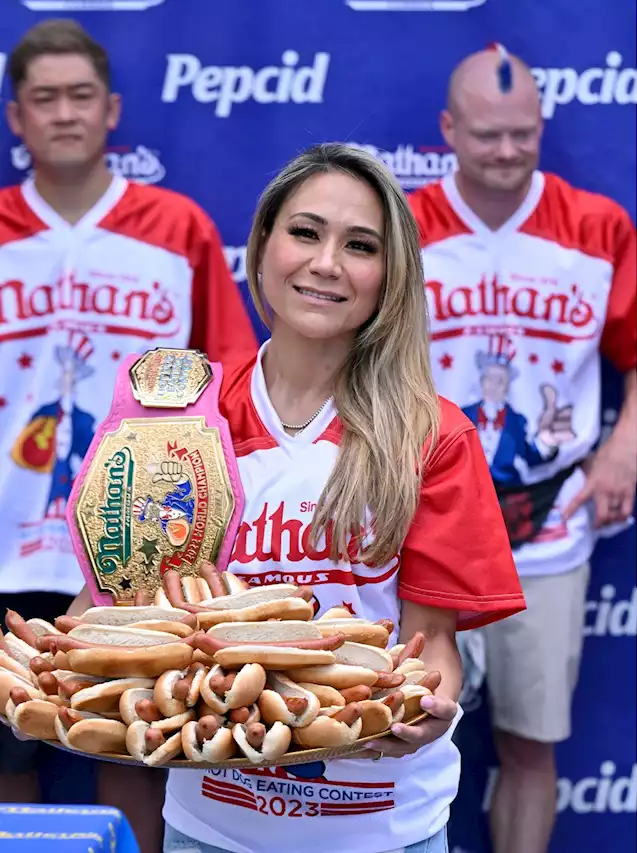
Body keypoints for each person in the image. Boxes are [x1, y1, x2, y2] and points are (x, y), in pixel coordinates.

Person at [64, 142, 527, 853]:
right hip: (211, 822)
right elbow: (112, 609)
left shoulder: (434, 434)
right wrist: (68, 656)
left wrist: (430, 705)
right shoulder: (179, 418)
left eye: (360, 245)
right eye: (305, 232)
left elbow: (429, 637)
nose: (326, 263)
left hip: (382, 826)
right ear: (262, 246)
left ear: (389, 275)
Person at [0, 17, 255, 849]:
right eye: (44, 98)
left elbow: (227, 384)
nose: (64, 114)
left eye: (80, 96)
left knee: (137, 738)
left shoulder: (176, 228)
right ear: (17, 118)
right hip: (7, 536)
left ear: (111, 111)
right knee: (12, 743)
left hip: (138, 540)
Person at [409, 44, 637, 853]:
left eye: (522, 134)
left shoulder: (598, 226)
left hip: (546, 524)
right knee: (407, 733)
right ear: (447, 129)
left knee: (531, 744)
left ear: (543, 124)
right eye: (485, 136)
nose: (506, 152)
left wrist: (621, 449)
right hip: (421, 521)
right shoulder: (403, 228)